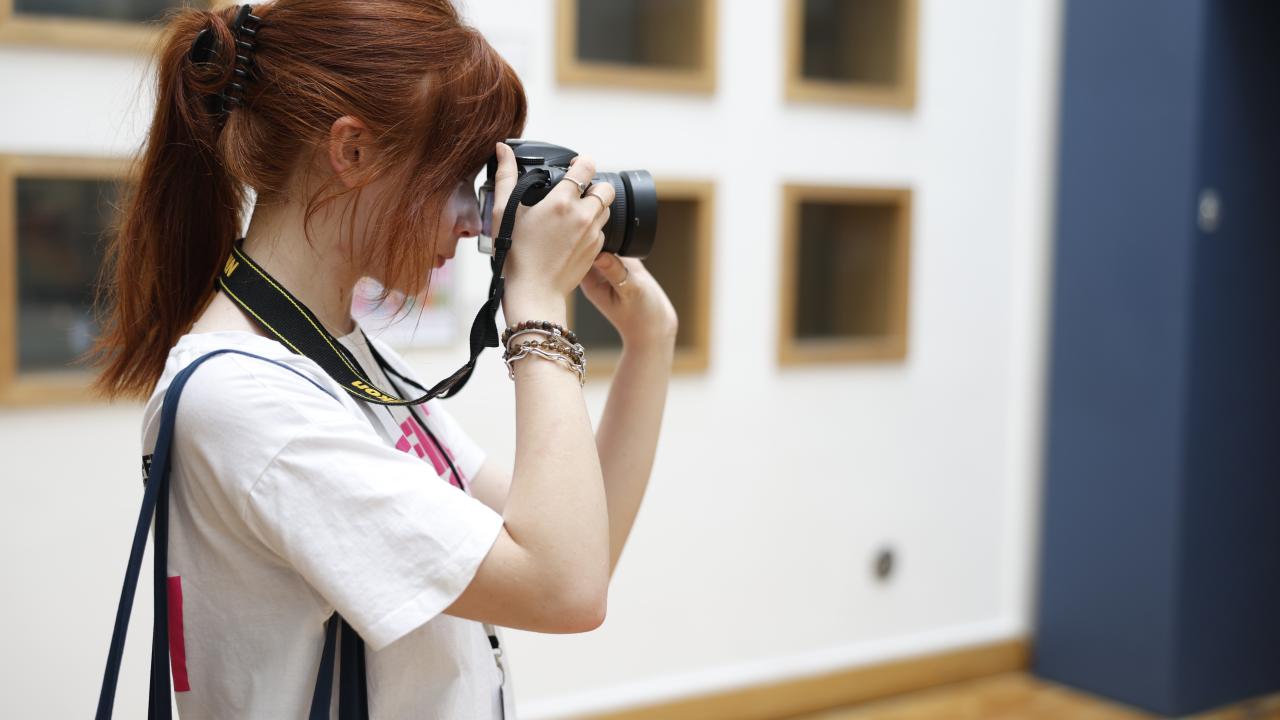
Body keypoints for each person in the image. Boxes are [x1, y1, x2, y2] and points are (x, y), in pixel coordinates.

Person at [85, 1, 678, 717]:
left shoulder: (341, 355)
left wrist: (649, 341)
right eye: (461, 174)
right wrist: (539, 306)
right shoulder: (245, 402)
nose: (476, 218)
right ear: (353, 151)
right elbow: (565, 589)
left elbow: (584, 548)